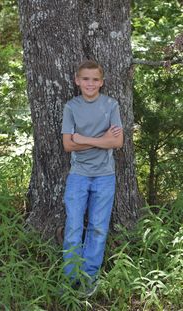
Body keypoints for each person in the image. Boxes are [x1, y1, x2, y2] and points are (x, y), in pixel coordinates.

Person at [61, 59, 123, 296]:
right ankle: (71, 278)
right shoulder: (71, 107)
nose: (90, 83)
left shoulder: (110, 105)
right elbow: (68, 145)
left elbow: (117, 142)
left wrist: (83, 139)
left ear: (102, 82)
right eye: (85, 79)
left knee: (98, 228)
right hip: (78, 176)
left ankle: (89, 277)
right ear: (77, 81)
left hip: (105, 176)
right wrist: (102, 140)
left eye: (95, 79)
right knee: (74, 227)